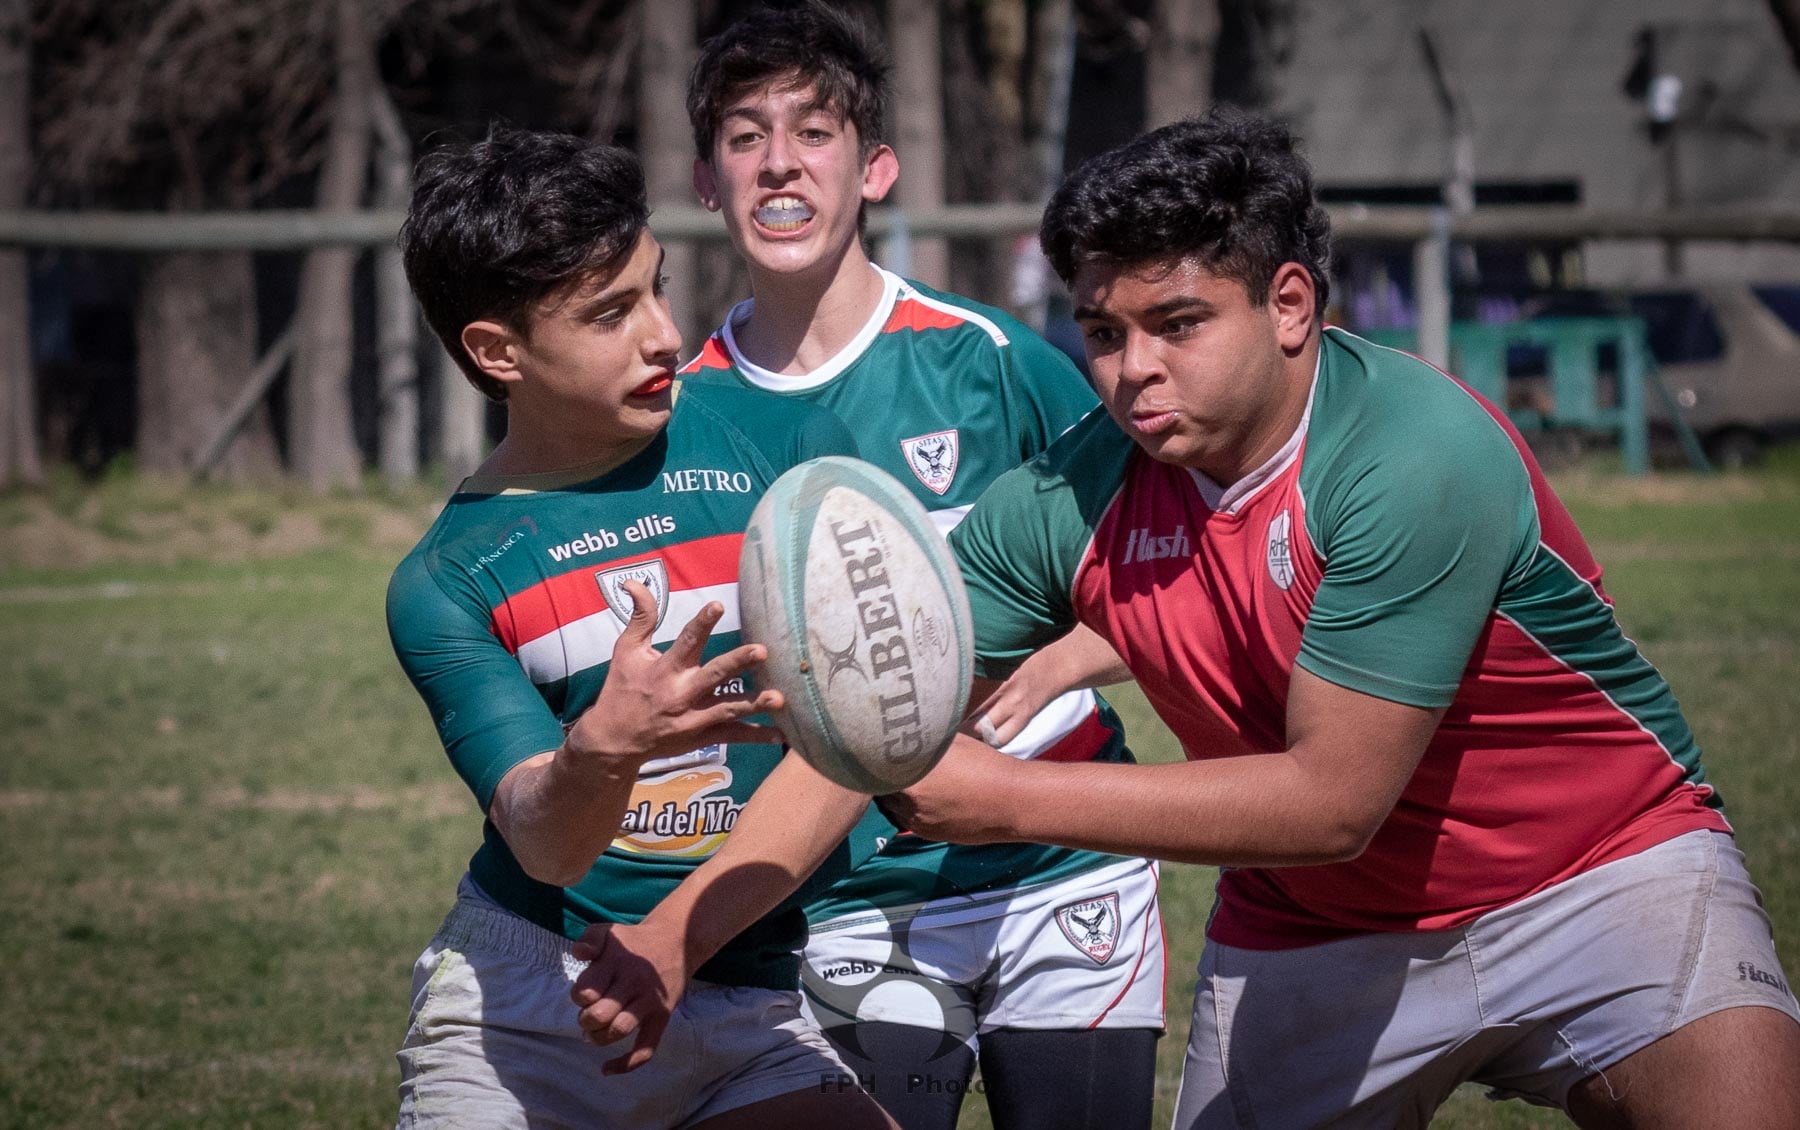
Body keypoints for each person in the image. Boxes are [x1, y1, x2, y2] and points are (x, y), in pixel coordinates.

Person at [878, 108, 1800, 1128]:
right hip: (1306, 922)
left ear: (1288, 304)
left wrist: (1006, 795)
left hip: (1598, 869)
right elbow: (887, 699)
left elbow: (1332, 801)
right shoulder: (1067, 493)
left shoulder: (1410, 452)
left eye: (1177, 323)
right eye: (1103, 331)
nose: (1130, 367)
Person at [575, 6, 1164, 1129]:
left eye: (815, 130)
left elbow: (1168, 553)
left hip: (1066, 874)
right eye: (746, 137)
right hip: (847, 900)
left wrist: (1053, 666)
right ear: (708, 179)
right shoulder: (687, 420)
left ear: (877, 167)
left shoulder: (987, 359)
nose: (780, 160)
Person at [385, 126, 897, 1130]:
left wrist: (679, 932)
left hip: (746, 987)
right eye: (611, 312)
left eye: (656, 287)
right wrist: (599, 749)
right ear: (499, 351)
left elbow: (852, 743)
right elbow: (545, 843)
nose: (664, 334)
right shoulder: (448, 579)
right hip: (529, 1011)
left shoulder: (789, 447)